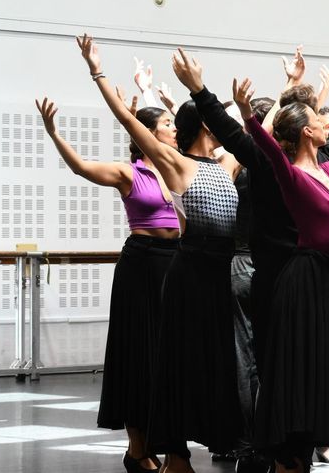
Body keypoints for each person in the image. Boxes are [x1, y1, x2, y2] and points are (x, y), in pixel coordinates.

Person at [77, 34, 244, 473]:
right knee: (176, 365)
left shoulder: (227, 163)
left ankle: (219, 441)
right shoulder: (175, 163)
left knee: (215, 366)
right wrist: (98, 73)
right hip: (187, 273)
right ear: (204, 125)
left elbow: (252, 141)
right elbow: (132, 123)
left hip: (219, 275)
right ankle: (175, 455)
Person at [234, 55, 329, 471]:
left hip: (327, 280)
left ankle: (302, 454)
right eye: (318, 118)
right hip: (303, 280)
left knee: (323, 368)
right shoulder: (290, 174)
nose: (326, 122)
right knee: (300, 369)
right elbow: (268, 148)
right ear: (308, 131)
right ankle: (289, 455)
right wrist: (247, 115)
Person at [36, 97, 179, 473]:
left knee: (168, 358)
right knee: (138, 355)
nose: (175, 127)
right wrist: (53, 133)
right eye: (168, 122)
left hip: (176, 263)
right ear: (149, 132)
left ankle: (165, 445)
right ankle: (138, 449)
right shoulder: (128, 172)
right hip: (141, 264)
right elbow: (82, 168)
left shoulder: (177, 168)